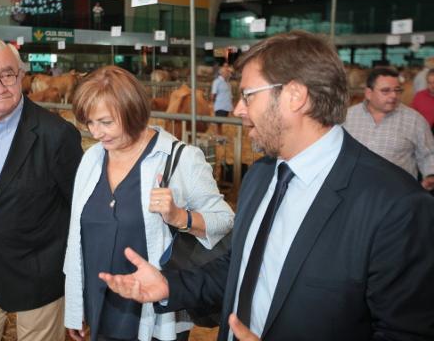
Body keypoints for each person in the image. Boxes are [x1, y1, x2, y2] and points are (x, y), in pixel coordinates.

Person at [97, 31, 434, 341]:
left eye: (248, 96)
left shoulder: (397, 205)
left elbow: (404, 333)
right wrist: (169, 285)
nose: (239, 110)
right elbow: (238, 265)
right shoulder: (261, 176)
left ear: (295, 96)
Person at [64, 65, 234, 341]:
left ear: (132, 111)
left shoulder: (180, 158)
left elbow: (224, 220)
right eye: (90, 123)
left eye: (106, 122)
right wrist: (76, 305)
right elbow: (78, 240)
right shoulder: (92, 159)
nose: (96, 133)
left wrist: (180, 217)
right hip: (99, 301)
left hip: (152, 307)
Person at [0, 39, 83, 341]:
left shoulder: (56, 134)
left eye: (7, 74)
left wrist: (78, 287)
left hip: (39, 276)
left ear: (22, 75)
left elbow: (80, 210)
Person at [343, 67, 434, 191]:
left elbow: (428, 154)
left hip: (398, 196)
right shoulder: (347, 117)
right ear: (369, 93)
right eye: (386, 91)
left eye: (397, 90)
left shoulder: (414, 120)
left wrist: (430, 175)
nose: (393, 96)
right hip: (354, 193)